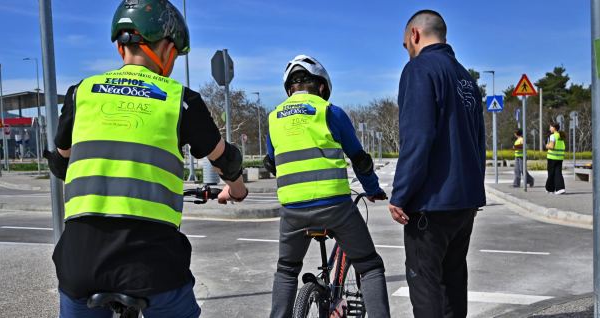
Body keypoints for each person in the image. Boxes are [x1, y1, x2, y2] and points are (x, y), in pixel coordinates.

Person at [42, 1, 248, 316]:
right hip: (151, 265)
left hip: (80, 262)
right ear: (165, 48)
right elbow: (225, 160)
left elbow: (60, 163)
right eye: (176, 54)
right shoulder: (181, 100)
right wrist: (236, 189)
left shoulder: (80, 93)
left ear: (120, 46)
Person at [265, 55, 390, 318]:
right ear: (321, 87)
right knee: (369, 266)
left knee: (287, 270)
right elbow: (360, 159)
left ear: (289, 89)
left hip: (293, 211)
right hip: (335, 207)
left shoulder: (273, 118)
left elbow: (271, 163)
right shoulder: (330, 112)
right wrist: (373, 188)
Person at [388, 10, 486, 318]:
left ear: (414, 35)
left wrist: (400, 194)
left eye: (406, 46)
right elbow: (478, 143)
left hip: (431, 204)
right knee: (453, 282)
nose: (408, 53)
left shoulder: (420, 70)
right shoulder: (466, 78)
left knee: (425, 283)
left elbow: (417, 138)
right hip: (464, 202)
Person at [545, 122, 566, 194]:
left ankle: (550, 189)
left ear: (554, 128)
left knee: (551, 173)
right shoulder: (561, 136)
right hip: (560, 158)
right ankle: (560, 188)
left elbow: (551, 146)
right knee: (558, 173)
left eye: (550, 127)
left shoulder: (553, 136)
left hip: (552, 157)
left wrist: (546, 145)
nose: (549, 128)